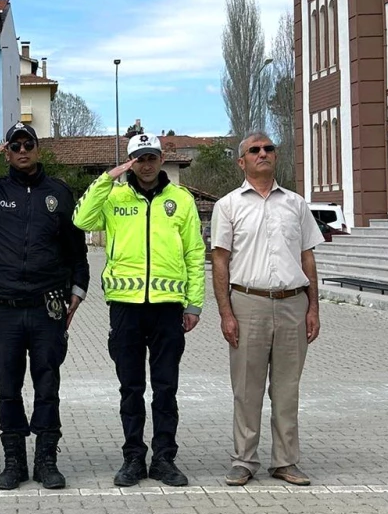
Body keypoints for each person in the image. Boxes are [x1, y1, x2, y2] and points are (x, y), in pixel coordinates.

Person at [0, 122, 89, 490]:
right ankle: (13, 459)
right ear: (8, 152)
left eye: (28, 144)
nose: (22, 151)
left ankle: (46, 459)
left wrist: (78, 289)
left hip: (48, 307)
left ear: (38, 148)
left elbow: (76, 249)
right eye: (14, 146)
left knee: (48, 386)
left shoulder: (58, 193)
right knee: (8, 388)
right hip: (2, 308)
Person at [73, 133, 205, 488]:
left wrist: (194, 303)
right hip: (126, 309)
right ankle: (133, 457)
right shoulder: (114, 198)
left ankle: (164, 459)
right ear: (131, 162)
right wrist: (106, 178)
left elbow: (194, 252)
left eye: (151, 157)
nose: (146, 165)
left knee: (165, 388)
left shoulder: (181, 200)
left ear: (161, 159)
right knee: (130, 388)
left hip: (167, 309)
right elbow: (81, 220)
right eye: (139, 159)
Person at [211, 131, 324, 487]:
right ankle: (244, 460)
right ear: (241, 161)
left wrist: (313, 308)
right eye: (254, 150)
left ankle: (286, 461)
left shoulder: (296, 204)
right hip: (248, 303)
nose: (263, 153)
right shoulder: (228, 206)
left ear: (276, 156)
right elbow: (219, 262)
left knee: (287, 388)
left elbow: (308, 257)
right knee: (247, 388)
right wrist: (226, 313)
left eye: (269, 148)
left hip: (293, 303)